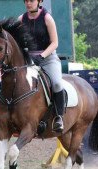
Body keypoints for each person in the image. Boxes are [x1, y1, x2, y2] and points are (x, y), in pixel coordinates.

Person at [18, 0, 65, 132]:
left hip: (48, 58)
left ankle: (58, 117)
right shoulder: (21, 19)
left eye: (31, 0)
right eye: (26, 1)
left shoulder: (47, 18)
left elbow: (55, 43)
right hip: (29, 59)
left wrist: (42, 56)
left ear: (39, 1)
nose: (28, 3)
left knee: (56, 84)